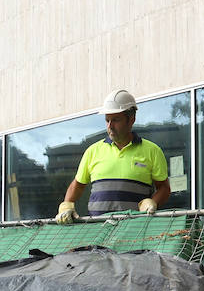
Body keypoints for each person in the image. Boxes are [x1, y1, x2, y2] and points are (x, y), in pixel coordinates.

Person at [55, 89, 171, 223]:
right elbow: (78, 184)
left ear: (131, 119)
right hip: (98, 232)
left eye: (115, 120)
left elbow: (164, 188)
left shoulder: (152, 151)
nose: (110, 126)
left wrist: (152, 202)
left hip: (135, 230)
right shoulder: (93, 151)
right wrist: (66, 205)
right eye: (107, 120)